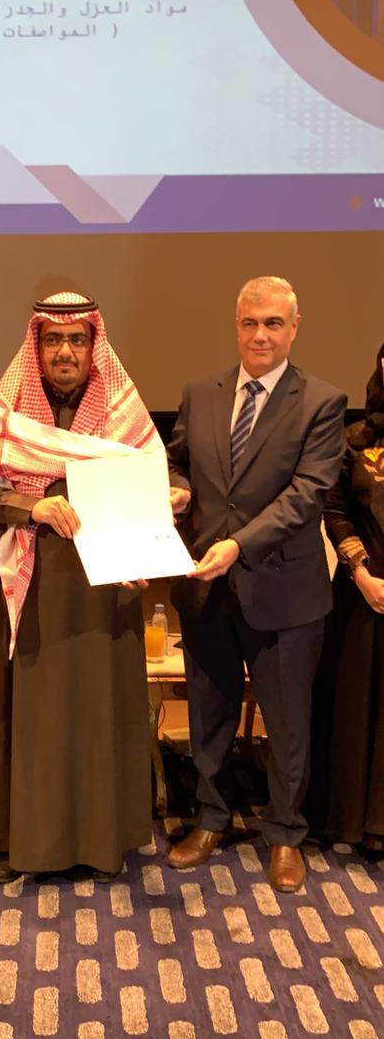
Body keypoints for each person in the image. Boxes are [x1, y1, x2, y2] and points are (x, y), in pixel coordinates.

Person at [0, 291, 161, 883]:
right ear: (37, 346)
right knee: (32, 713)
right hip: (35, 582)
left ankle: (102, 839)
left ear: (94, 345)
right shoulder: (10, 412)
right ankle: (18, 838)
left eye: (76, 339)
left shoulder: (122, 411)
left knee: (100, 711)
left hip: (106, 588)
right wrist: (31, 506)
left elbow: (158, 472)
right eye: (53, 340)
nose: (64, 351)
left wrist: (170, 494)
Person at [165, 276, 346, 892]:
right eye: (250, 323)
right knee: (208, 712)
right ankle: (211, 819)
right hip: (206, 587)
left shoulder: (322, 401)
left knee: (287, 720)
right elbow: (177, 460)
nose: (260, 335)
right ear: (236, 325)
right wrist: (177, 490)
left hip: (284, 591)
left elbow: (308, 493)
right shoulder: (201, 393)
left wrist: (239, 544)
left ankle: (285, 833)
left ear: (295, 327)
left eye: (273, 323)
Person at [307, 344, 384, 850]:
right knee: (356, 706)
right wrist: (361, 573)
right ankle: (356, 822)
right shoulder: (355, 440)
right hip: (364, 594)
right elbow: (335, 511)